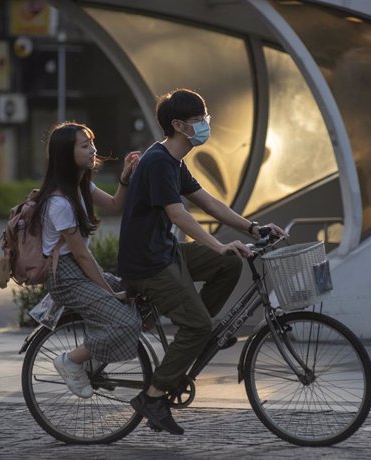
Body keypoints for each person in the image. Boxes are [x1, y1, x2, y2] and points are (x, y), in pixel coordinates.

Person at [118, 88, 287, 435]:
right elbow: (179, 215)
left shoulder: (174, 161)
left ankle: (194, 333)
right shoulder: (158, 161)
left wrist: (253, 228)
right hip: (147, 263)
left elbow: (210, 205)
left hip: (164, 252)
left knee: (228, 266)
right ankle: (152, 397)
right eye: (200, 120)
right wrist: (216, 244)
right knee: (199, 323)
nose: (206, 124)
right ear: (178, 125)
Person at [29, 121, 142, 399]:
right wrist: (109, 291)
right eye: (85, 145)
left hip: (79, 271)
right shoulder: (59, 202)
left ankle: (90, 363)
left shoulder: (81, 185)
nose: (93, 149)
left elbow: (116, 205)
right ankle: (71, 361)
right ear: (66, 154)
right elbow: (81, 254)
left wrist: (125, 177)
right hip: (66, 277)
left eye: (92, 143)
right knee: (125, 322)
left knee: (141, 295)